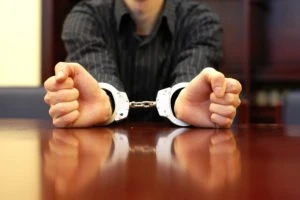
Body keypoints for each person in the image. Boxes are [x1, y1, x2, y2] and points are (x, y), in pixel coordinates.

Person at [44, 0, 242, 128]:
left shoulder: (202, 21)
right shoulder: (84, 18)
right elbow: (98, 68)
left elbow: (192, 72)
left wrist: (181, 101)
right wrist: (108, 101)